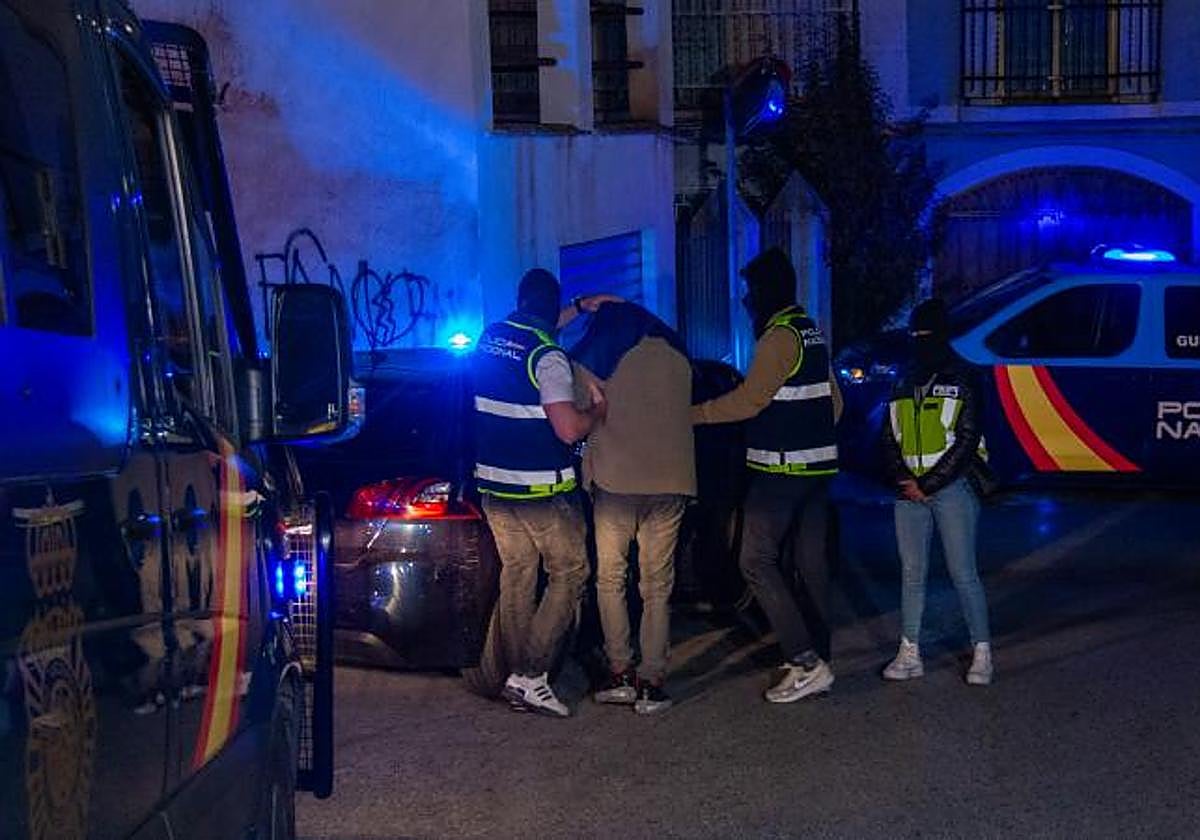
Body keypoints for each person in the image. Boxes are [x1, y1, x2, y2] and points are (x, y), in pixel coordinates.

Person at [692, 247, 842, 704]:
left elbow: (748, 401)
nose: (745, 300)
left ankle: (805, 662)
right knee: (810, 564)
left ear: (765, 292)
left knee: (754, 560)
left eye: (749, 292)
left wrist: (692, 415)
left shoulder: (777, 338)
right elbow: (835, 402)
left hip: (782, 473)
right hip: (818, 469)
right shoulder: (809, 330)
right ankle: (817, 654)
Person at [473, 269, 610, 716]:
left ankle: (514, 677)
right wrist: (596, 412)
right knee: (570, 571)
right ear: (550, 311)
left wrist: (578, 307)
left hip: (494, 488)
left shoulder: (491, 337)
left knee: (517, 574)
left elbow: (536, 330)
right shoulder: (549, 357)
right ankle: (532, 676)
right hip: (539, 492)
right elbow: (568, 429)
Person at [570, 302, 695, 715]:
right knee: (657, 585)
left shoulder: (597, 360)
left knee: (610, 580)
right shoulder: (678, 357)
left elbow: (574, 410)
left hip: (616, 484)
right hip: (670, 484)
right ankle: (652, 681)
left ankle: (621, 672)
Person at [880, 298, 993, 686]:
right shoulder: (902, 378)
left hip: (952, 489)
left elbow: (967, 439)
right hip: (908, 492)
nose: (919, 341)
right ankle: (909, 652)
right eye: (915, 335)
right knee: (912, 574)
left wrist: (926, 484)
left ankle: (982, 653)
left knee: (964, 573)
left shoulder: (965, 377)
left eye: (924, 335)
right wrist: (905, 481)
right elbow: (888, 437)